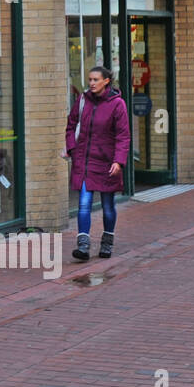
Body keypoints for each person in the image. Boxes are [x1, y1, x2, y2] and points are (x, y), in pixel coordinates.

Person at [65, 65, 129, 260]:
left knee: (108, 206)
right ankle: (83, 246)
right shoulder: (83, 100)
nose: (91, 83)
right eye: (90, 80)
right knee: (84, 203)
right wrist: (72, 149)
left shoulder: (117, 104)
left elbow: (123, 136)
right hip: (84, 161)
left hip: (107, 162)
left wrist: (118, 161)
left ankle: (107, 242)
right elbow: (70, 125)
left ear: (106, 81)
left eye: (95, 80)